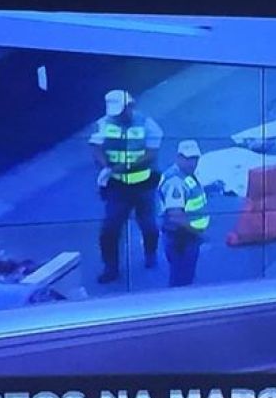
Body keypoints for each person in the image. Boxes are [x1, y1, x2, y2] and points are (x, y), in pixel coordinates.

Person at [89, 89, 162, 284]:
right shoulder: (104, 123)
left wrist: (127, 165)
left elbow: (151, 153)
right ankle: (110, 268)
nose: (119, 116)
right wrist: (105, 166)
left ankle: (150, 253)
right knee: (109, 229)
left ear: (130, 106)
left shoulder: (148, 124)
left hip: (143, 184)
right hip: (118, 186)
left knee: (149, 226)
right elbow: (95, 147)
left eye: (122, 111)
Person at [158, 139, 210, 287]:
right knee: (181, 281)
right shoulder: (176, 181)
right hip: (181, 239)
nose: (192, 163)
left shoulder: (187, 175)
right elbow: (176, 216)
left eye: (194, 158)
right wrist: (197, 233)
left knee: (185, 276)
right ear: (178, 157)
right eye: (187, 158)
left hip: (186, 237)